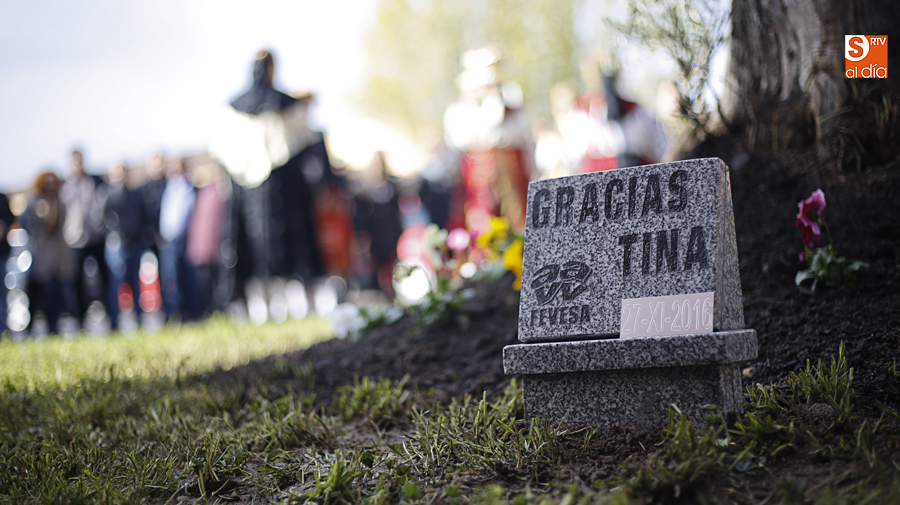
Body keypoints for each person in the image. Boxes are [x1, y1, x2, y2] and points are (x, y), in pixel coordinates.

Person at [210, 49, 324, 320]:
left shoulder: (238, 107)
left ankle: (282, 305)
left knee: (286, 246)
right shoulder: (279, 105)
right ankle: (267, 305)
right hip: (265, 189)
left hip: (269, 188)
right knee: (259, 247)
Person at [443, 47, 536, 235]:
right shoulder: (461, 108)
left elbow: (523, 136)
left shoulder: (512, 101)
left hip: (510, 163)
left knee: (517, 214)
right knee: (483, 217)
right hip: (480, 165)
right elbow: (463, 138)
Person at [22, 172, 78, 334]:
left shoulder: (60, 202)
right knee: (39, 293)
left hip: (58, 256)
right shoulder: (33, 204)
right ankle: (31, 328)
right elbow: (28, 227)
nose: (50, 185)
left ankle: (53, 326)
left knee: (57, 292)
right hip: (40, 255)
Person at [60, 149, 107, 323]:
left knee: (104, 277)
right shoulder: (64, 185)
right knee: (77, 282)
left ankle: (108, 315)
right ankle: (81, 320)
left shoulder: (95, 181)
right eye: (75, 162)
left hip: (95, 238)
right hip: (75, 240)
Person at [103, 161, 145, 330]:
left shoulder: (134, 195)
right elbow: (104, 220)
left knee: (135, 282)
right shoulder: (107, 195)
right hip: (117, 246)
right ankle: (114, 321)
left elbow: (140, 217)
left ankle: (139, 318)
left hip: (134, 244)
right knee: (116, 283)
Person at [158, 158, 198, 321]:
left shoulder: (188, 187)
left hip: (181, 240)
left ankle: (186, 312)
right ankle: (173, 312)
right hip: (168, 240)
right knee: (170, 278)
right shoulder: (169, 187)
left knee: (183, 276)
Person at [0, 192, 15, 335]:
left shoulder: (2, 197)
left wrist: (3, 225)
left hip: (1, 252)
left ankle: (3, 330)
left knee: (2, 292)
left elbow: (11, 216)